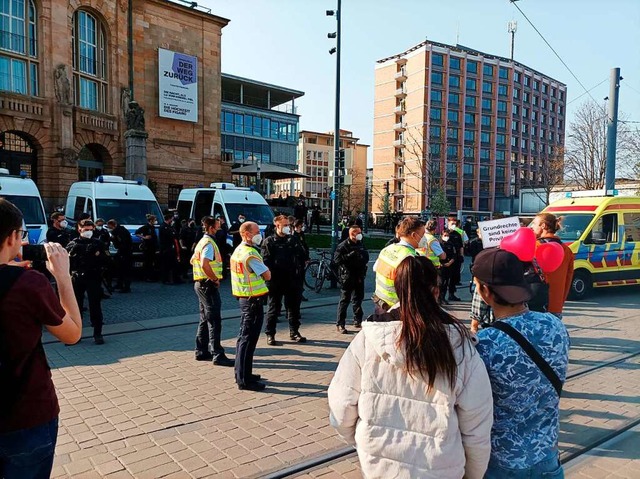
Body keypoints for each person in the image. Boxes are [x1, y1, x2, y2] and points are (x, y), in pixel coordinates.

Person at [328, 255, 493, 478]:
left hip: (379, 467)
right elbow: (477, 426)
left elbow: (341, 406)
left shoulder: (368, 338)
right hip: (441, 468)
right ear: (436, 290)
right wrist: (473, 474)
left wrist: (364, 444)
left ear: (398, 289)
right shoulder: (460, 345)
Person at [0, 199, 82, 478]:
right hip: (24, 414)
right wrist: (62, 277)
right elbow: (72, 335)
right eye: (21, 235)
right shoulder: (28, 283)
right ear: (12, 236)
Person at [472, 248, 570, 478]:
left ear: (485, 291)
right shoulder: (555, 326)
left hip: (501, 462)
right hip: (547, 455)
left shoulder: (484, 344)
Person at [231, 221, 271, 391]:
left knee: (244, 338)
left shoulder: (238, 251)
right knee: (248, 340)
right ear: (246, 234)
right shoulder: (250, 254)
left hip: (244, 299)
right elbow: (267, 275)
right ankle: (244, 380)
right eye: (256, 232)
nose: (259, 235)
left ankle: (243, 373)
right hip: (253, 301)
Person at [191, 216, 234, 366]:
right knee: (214, 320)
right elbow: (204, 263)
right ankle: (217, 354)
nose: (219, 229)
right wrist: (214, 278)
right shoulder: (209, 243)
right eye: (217, 227)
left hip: (200, 284)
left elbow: (193, 260)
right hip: (207, 285)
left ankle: (201, 350)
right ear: (210, 228)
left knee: (204, 318)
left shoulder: (201, 242)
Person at [262, 215, 308, 345]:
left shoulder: (292, 239)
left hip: (292, 279)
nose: (288, 227)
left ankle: (294, 332)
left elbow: (303, 255)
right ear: (277, 226)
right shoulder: (269, 241)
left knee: (294, 307)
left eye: (289, 225)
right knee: (273, 308)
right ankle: (270, 334)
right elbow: (266, 261)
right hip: (276, 280)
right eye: (285, 225)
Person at [67, 219, 109, 344]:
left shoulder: (98, 243)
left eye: (91, 230)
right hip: (78, 277)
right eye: (86, 230)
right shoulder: (73, 243)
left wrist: (98, 255)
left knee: (95, 305)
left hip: (93, 276)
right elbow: (66, 261)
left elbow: (107, 260)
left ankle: (98, 333)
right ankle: (75, 335)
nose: (89, 232)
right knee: (76, 307)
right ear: (79, 229)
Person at [372, 216, 426, 312]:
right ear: (414, 235)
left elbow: (375, 268)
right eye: (422, 234)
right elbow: (411, 289)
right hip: (397, 309)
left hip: (380, 304)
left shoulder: (387, 249)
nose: (424, 238)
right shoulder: (410, 257)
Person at [530, 213, 574, 319]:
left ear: (543, 226)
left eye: (534, 223)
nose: (532, 227)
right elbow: (568, 280)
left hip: (534, 304)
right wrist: (559, 303)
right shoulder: (566, 250)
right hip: (555, 305)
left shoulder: (534, 247)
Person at [333, 225, 369, 333]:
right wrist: (349, 255)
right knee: (345, 300)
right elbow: (337, 260)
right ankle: (340, 323)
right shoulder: (343, 245)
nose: (360, 234)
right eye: (358, 233)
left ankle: (357, 320)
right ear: (352, 234)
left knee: (358, 299)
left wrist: (362, 258)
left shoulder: (361, 244)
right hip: (348, 276)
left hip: (359, 275)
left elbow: (366, 257)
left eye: (360, 232)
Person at [107, 219, 132, 293]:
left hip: (125, 253)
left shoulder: (119, 232)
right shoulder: (120, 230)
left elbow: (122, 243)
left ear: (114, 225)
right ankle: (119, 284)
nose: (109, 229)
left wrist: (113, 239)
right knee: (119, 269)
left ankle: (126, 287)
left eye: (110, 227)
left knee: (125, 270)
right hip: (122, 252)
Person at [158, 213, 182, 285]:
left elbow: (175, 234)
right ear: (169, 219)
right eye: (172, 219)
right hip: (166, 249)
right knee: (166, 265)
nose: (172, 220)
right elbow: (171, 235)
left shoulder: (170, 227)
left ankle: (175, 279)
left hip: (172, 249)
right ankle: (166, 279)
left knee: (174, 264)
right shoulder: (163, 227)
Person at [135, 214, 158, 282]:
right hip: (147, 247)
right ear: (151, 220)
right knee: (147, 262)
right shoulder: (145, 227)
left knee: (151, 262)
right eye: (154, 220)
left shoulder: (152, 227)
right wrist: (144, 237)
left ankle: (151, 276)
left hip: (152, 247)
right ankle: (146, 277)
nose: (155, 221)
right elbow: (137, 233)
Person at [293, 219, 310, 302]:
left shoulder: (301, 234)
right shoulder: (293, 235)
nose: (303, 227)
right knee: (297, 278)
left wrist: (307, 257)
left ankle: (300, 293)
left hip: (302, 259)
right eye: (302, 225)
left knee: (301, 277)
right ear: (298, 226)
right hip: (297, 260)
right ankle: (297, 293)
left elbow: (305, 245)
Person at [447, 216, 465, 288]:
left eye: (455, 224)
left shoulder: (457, 234)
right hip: (448, 258)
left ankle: (452, 292)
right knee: (447, 275)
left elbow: (461, 246)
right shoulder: (445, 233)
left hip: (456, 257)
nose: (453, 225)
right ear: (448, 223)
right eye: (452, 224)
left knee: (455, 275)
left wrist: (462, 256)